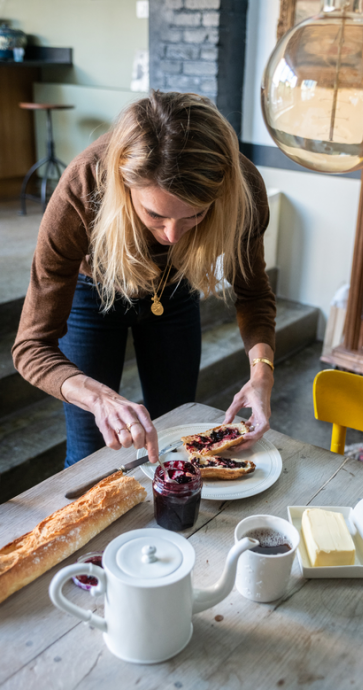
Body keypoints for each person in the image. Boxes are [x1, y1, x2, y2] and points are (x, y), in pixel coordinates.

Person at [12, 91, 276, 467]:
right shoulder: (84, 185)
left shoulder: (244, 189)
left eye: (194, 216)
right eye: (155, 215)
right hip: (92, 292)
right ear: (124, 185)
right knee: (91, 452)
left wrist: (261, 372)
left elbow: (253, 293)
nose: (172, 236)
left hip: (175, 288)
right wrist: (97, 398)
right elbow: (30, 346)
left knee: (175, 439)